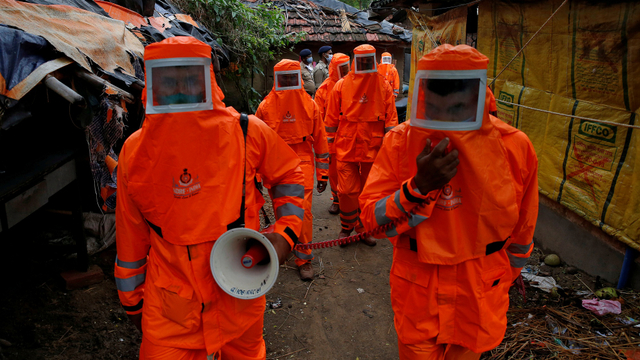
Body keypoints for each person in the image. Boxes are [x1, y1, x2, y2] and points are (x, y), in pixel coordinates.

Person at [115, 36, 305, 359]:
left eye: (188, 79)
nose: (179, 91)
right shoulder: (135, 154)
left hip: (240, 296)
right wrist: (135, 307)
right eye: (168, 82)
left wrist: (286, 233)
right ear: (152, 84)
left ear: (207, 80)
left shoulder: (247, 133)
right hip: (170, 313)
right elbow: (130, 245)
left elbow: (288, 175)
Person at [359, 44, 538, 360]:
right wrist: (417, 188)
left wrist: (500, 277)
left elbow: (523, 229)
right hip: (418, 287)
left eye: (456, 109)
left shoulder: (514, 146)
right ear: (423, 96)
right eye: (436, 108)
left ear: (477, 98)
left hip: (480, 290)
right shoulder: (400, 141)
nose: (444, 120)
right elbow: (371, 223)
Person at [255, 59, 330, 281]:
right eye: (285, 79)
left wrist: (323, 173)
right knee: (283, 213)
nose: (288, 83)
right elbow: (256, 145)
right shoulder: (267, 106)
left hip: (299, 166)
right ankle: (286, 246)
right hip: (276, 166)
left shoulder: (309, 105)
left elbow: (321, 142)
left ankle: (304, 259)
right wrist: (257, 175)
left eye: (291, 78)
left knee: (302, 215)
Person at [324, 44, 398, 246]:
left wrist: (390, 152)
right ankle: (346, 227)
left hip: (373, 149)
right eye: (361, 60)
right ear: (354, 60)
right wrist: (329, 152)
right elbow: (330, 122)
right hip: (345, 146)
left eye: (368, 60)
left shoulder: (384, 86)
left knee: (368, 192)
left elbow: (391, 122)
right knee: (347, 191)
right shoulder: (341, 86)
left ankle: (363, 229)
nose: (365, 64)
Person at [314, 53, 351, 215]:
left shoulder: (355, 84)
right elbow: (317, 117)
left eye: (347, 67)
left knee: (352, 174)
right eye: (342, 68)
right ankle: (336, 199)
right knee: (334, 174)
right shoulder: (324, 90)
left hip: (352, 139)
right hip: (333, 141)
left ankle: (351, 200)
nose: (346, 71)